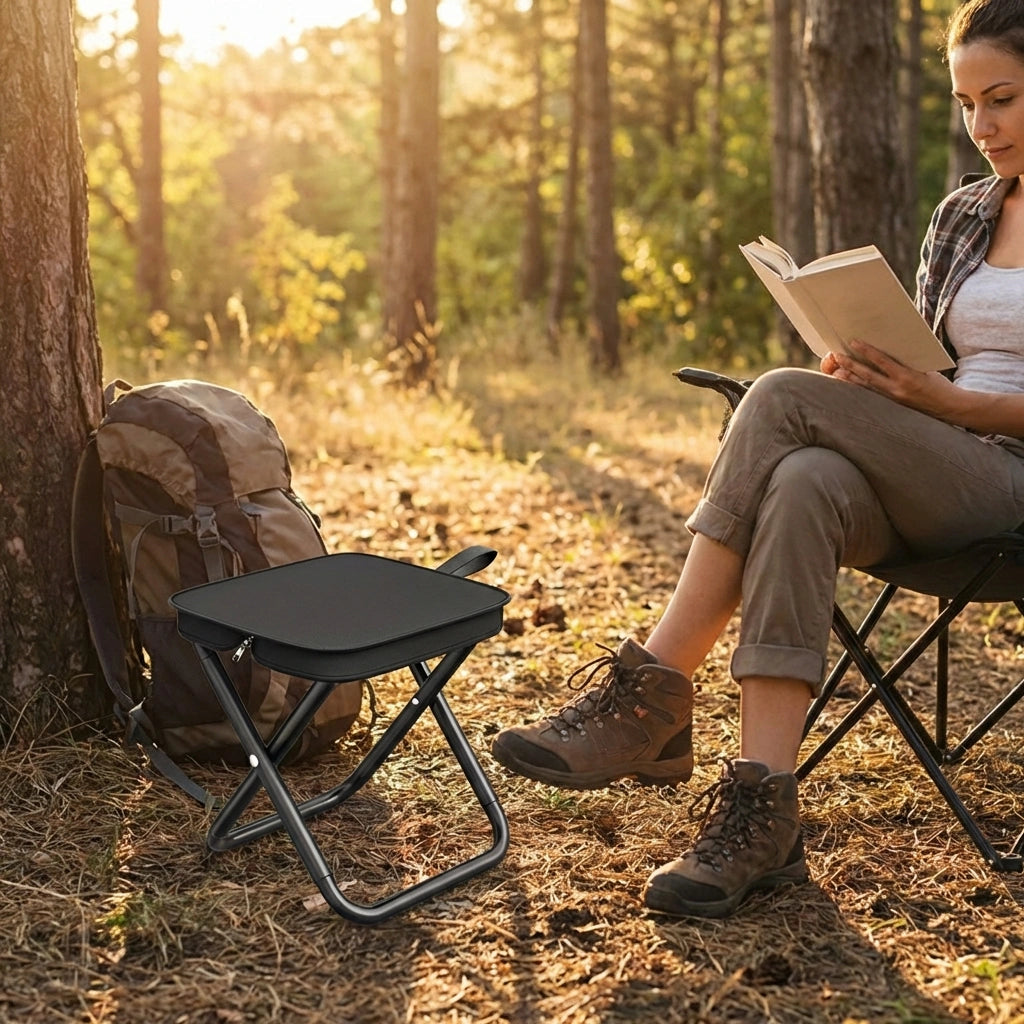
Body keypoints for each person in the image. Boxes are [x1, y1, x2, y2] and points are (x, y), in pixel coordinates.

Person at [491, 0, 1024, 920]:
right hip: (938, 463)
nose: (984, 128)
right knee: (804, 476)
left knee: (776, 397)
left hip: (1009, 486)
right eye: (967, 105)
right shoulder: (965, 215)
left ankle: (655, 690)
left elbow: (952, 396)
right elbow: (934, 362)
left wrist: (942, 403)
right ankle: (762, 809)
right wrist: (871, 375)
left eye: (1004, 99)